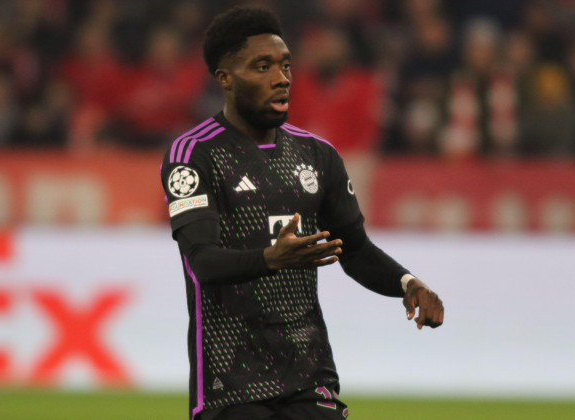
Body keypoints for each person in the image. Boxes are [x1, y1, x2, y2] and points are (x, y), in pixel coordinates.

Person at [160, 7, 444, 420]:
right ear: (225, 78)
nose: (281, 78)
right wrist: (271, 259)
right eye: (262, 67)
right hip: (231, 382)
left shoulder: (317, 154)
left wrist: (406, 282)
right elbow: (202, 261)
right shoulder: (194, 155)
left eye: (286, 65)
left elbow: (355, 248)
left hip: (309, 374)